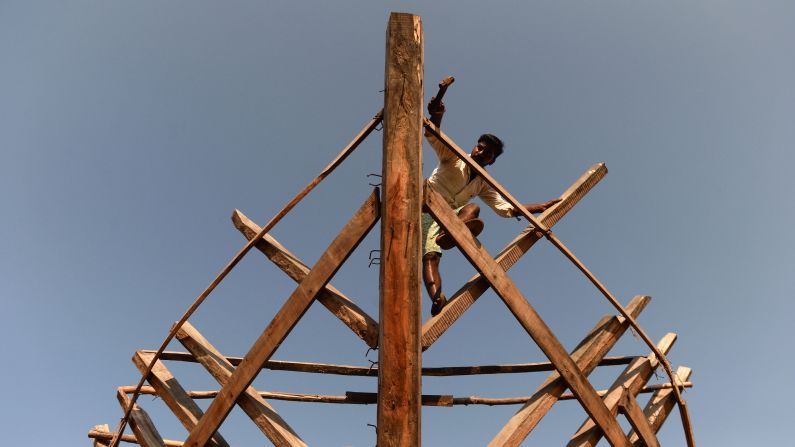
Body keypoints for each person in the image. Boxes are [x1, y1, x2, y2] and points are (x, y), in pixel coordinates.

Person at [423, 97, 561, 316]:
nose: (480, 153)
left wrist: (540, 207)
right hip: (427, 208)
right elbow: (433, 135)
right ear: (475, 146)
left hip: (448, 217)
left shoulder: (483, 183)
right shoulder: (453, 156)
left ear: (491, 161)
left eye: (487, 154)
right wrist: (437, 115)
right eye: (480, 147)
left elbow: (504, 207)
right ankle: (437, 297)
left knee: (474, 210)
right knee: (431, 256)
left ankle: (449, 233)